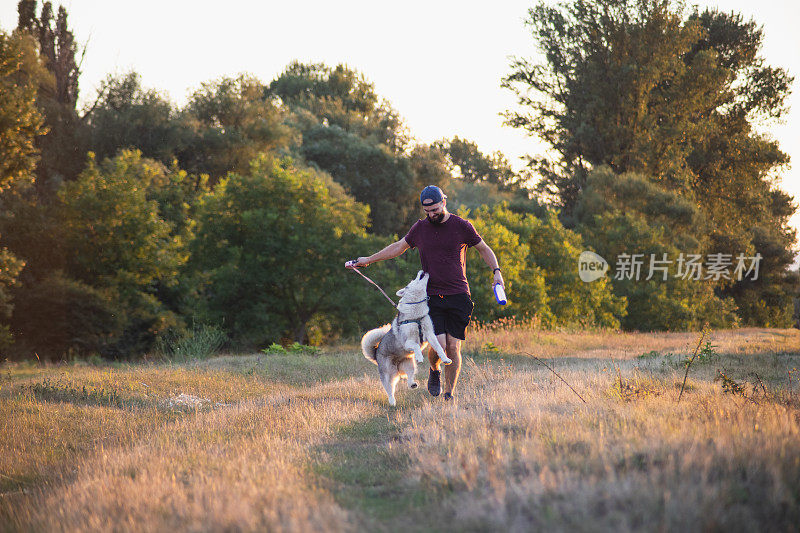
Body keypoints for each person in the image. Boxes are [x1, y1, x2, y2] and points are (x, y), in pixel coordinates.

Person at [345, 185, 504, 401]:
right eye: (427, 211)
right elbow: (398, 247)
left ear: (443, 202)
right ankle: (434, 369)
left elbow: (484, 249)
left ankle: (449, 394)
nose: (431, 215)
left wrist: (496, 272)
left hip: (458, 294)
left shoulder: (462, 226)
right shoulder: (420, 229)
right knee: (438, 343)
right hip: (431, 297)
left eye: (435, 209)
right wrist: (368, 260)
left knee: (453, 346)